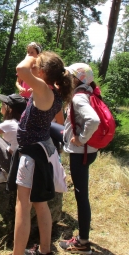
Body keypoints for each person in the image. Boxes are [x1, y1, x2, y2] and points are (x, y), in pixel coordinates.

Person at [12, 52, 73, 255]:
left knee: (22, 205)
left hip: (31, 155)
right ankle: (45, 250)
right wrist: (36, 60)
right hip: (39, 151)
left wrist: (31, 55)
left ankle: (17, 253)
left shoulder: (43, 89)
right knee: (40, 204)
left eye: (36, 65)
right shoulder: (53, 91)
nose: (32, 66)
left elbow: (21, 70)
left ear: (43, 71)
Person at [59, 63, 100, 254]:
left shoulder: (79, 98)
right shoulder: (88, 93)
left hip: (81, 153)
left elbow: (94, 120)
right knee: (81, 194)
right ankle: (83, 239)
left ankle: (82, 242)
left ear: (77, 79)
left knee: (81, 196)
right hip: (87, 151)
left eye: (69, 75)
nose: (67, 78)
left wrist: (81, 139)